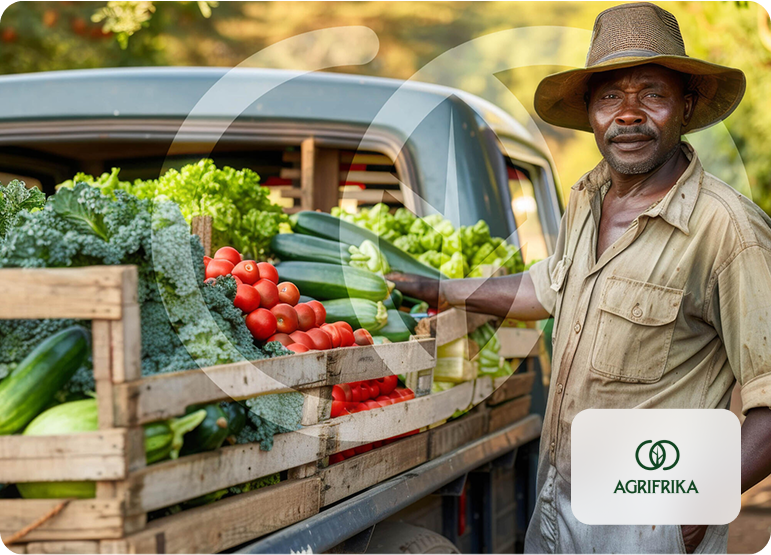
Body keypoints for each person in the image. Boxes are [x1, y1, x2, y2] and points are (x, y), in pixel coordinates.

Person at [388, 3, 771, 554]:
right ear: (591, 110)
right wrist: (442, 290)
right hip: (556, 503)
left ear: (685, 106)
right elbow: (549, 286)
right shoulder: (589, 202)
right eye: (611, 95)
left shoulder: (726, 230)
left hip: (649, 514)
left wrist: (692, 506)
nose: (629, 113)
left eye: (652, 94)